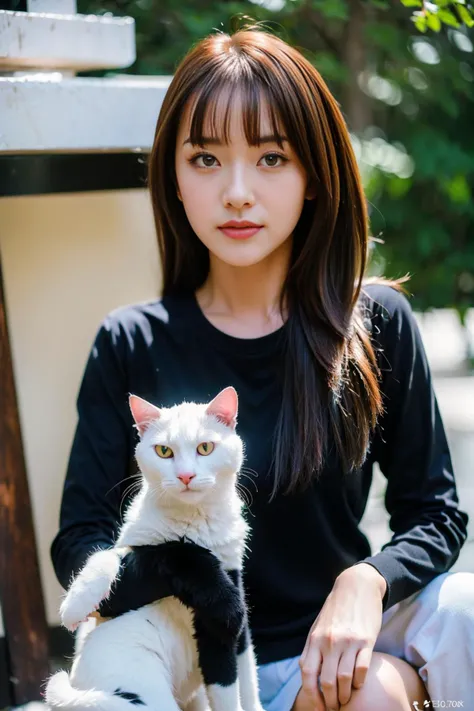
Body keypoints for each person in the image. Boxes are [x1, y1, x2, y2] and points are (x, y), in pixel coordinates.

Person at [51, 26, 473, 711]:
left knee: (461, 613)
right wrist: (175, 576)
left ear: (314, 174)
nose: (238, 192)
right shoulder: (130, 341)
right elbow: (80, 542)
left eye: (271, 157)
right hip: (192, 674)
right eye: (207, 159)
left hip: (333, 657)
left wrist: (364, 581)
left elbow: (435, 513)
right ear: (174, 177)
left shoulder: (375, 325)